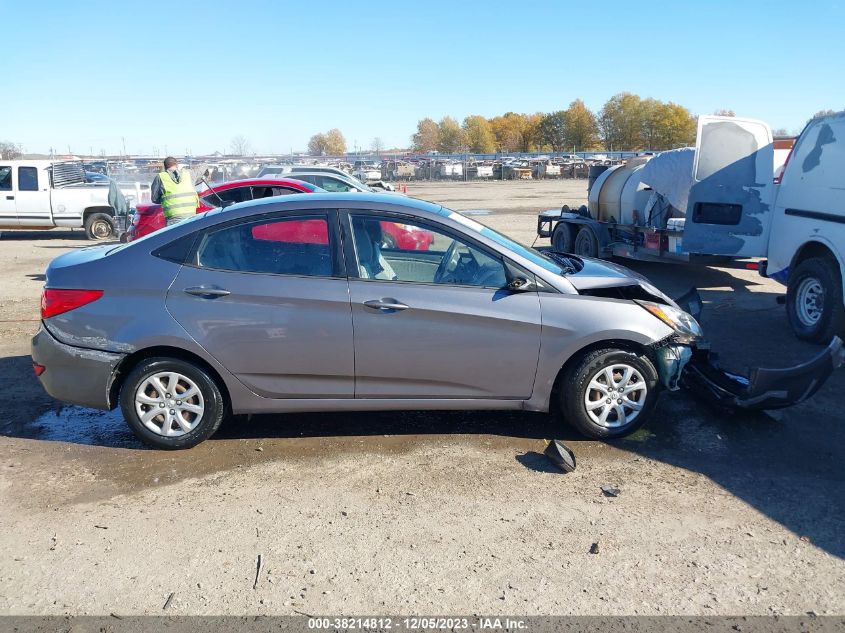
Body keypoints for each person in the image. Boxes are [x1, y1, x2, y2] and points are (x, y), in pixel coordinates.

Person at [151, 157, 198, 225]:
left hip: (173, 219)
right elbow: (201, 170)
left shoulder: (160, 177)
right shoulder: (188, 174)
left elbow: (154, 199)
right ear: (177, 165)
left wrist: (165, 199)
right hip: (191, 217)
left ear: (165, 167)